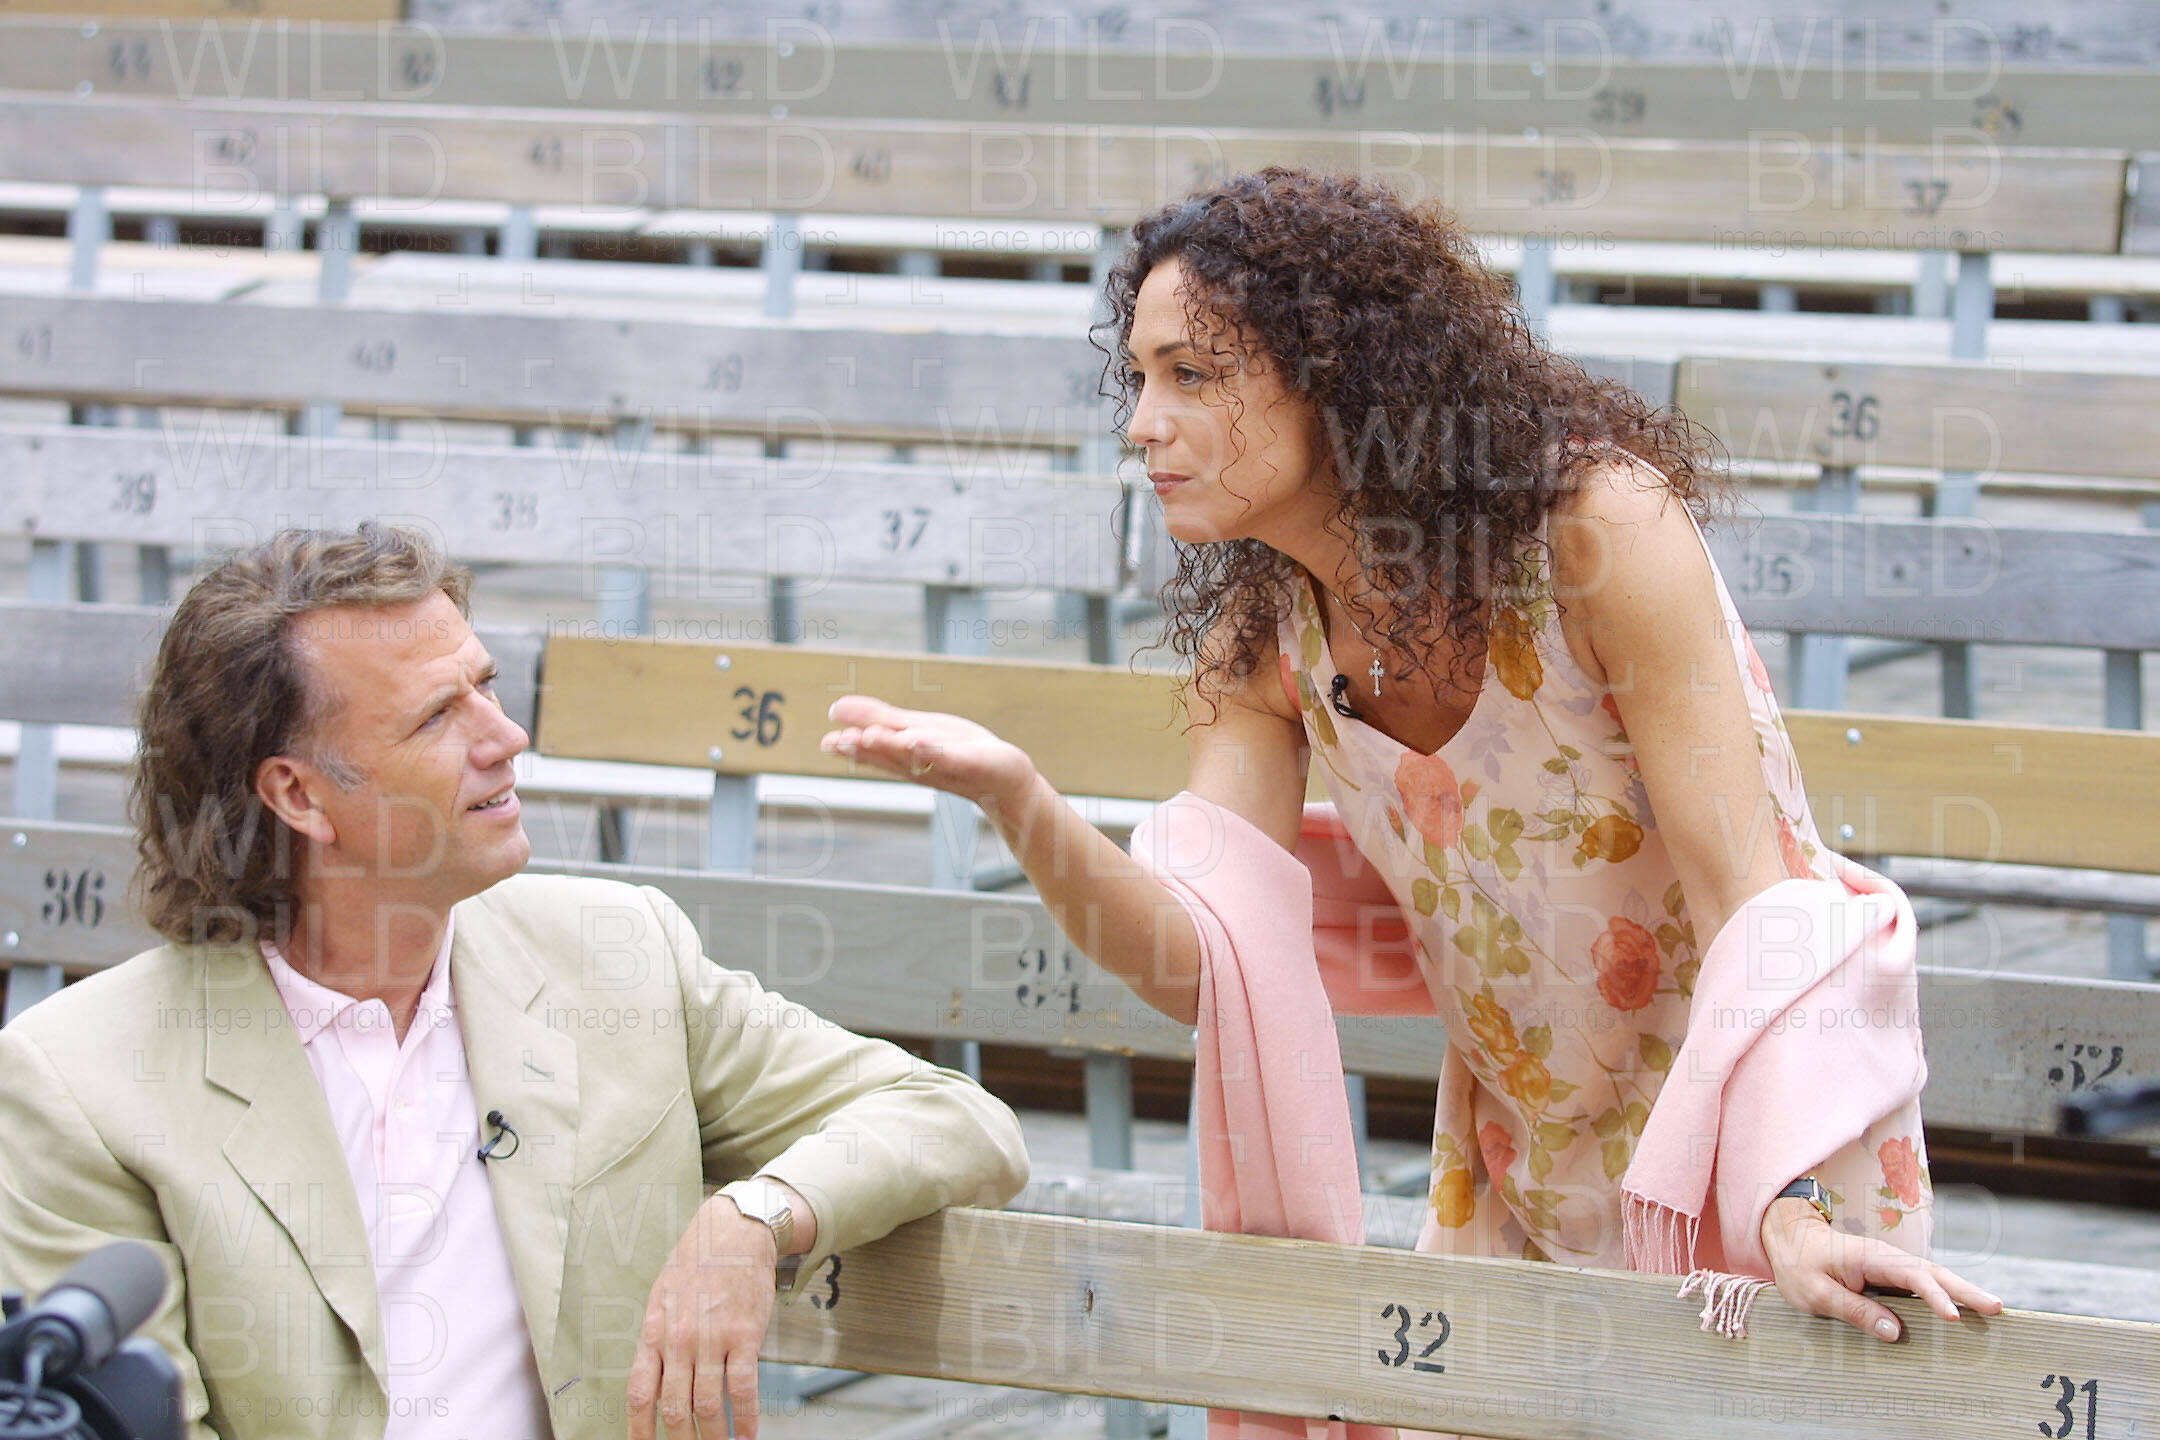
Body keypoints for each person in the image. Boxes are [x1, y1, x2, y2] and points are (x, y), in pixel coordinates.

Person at [823, 170, 2000, 1356]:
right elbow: (1201, 969)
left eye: (1192, 374)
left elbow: (1747, 891)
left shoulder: (1598, 531)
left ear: (1334, 377)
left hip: (1772, 1147)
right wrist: (1019, 800)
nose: (1141, 423)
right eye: (1141, 377)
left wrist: (1787, 1201)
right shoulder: (1265, 642)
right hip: (1519, 1163)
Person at [0, 525, 1029, 1440]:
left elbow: (954, 1120)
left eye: (485, 686)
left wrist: (755, 1218)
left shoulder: (616, 954)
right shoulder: (80, 1084)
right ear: (299, 795)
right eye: (436, 717)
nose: (505, 737)